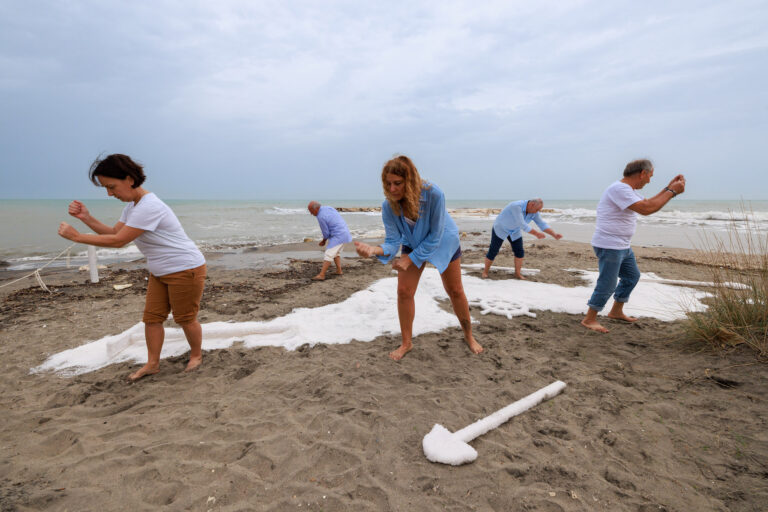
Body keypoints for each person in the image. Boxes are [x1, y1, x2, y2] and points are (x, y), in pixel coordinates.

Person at [58, 154, 207, 381]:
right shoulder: (133, 206)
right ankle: (152, 364)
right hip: (160, 271)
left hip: (184, 268)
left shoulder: (150, 206)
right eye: (106, 189)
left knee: (185, 318)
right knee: (152, 319)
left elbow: (119, 242)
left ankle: (196, 356)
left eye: (111, 186)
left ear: (129, 179)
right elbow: (114, 233)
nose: (110, 193)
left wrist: (78, 237)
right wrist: (86, 218)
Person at [354, 155, 483, 360]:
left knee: (455, 290)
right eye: (388, 184)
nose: (392, 189)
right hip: (413, 241)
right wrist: (374, 250)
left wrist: (410, 259)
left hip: (442, 241)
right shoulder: (389, 206)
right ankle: (407, 343)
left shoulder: (433, 194)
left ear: (410, 181)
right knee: (404, 291)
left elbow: (435, 236)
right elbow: (393, 241)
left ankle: (469, 335)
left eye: (397, 183)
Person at [581, 159, 686, 333]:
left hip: (622, 245)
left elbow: (649, 203)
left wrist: (668, 189)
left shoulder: (628, 190)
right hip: (610, 245)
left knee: (632, 276)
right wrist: (672, 192)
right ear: (642, 173)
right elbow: (646, 209)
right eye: (649, 176)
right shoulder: (619, 189)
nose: (649, 181)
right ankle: (589, 319)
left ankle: (616, 311)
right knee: (607, 283)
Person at [481, 198, 562, 279]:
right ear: (532, 204)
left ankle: (517, 274)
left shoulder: (534, 212)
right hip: (501, 228)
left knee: (519, 251)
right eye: (537, 209)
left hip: (515, 231)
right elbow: (522, 224)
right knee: (494, 250)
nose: (537, 212)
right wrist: (536, 233)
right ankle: (485, 272)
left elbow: (542, 224)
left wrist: (554, 234)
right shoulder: (516, 206)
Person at [307, 201, 353, 281]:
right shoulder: (328, 207)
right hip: (345, 232)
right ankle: (339, 271)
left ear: (316, 208)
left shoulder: (320, 216)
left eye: (311, 211)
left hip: (338, 235)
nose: (311, 213)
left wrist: (323, 241)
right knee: (336, 253)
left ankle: (322, 275)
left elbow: (326, 233)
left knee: (329, 254)